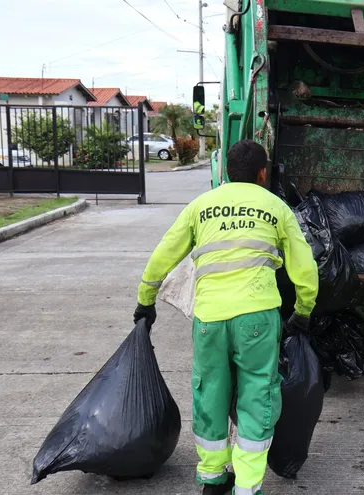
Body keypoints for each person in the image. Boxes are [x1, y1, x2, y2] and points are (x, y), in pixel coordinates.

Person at [134, 140, 319, 494]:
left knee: (210, 395)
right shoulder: (276, 207)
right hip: (257, 319)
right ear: (263, 174)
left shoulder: (200, 206)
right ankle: (247, 487)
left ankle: (213, 477)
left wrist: (146, 301)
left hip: (210, 319)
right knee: (256, 396)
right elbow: (305, 268)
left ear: (224, 173)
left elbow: (163, 255)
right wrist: (304, 311)